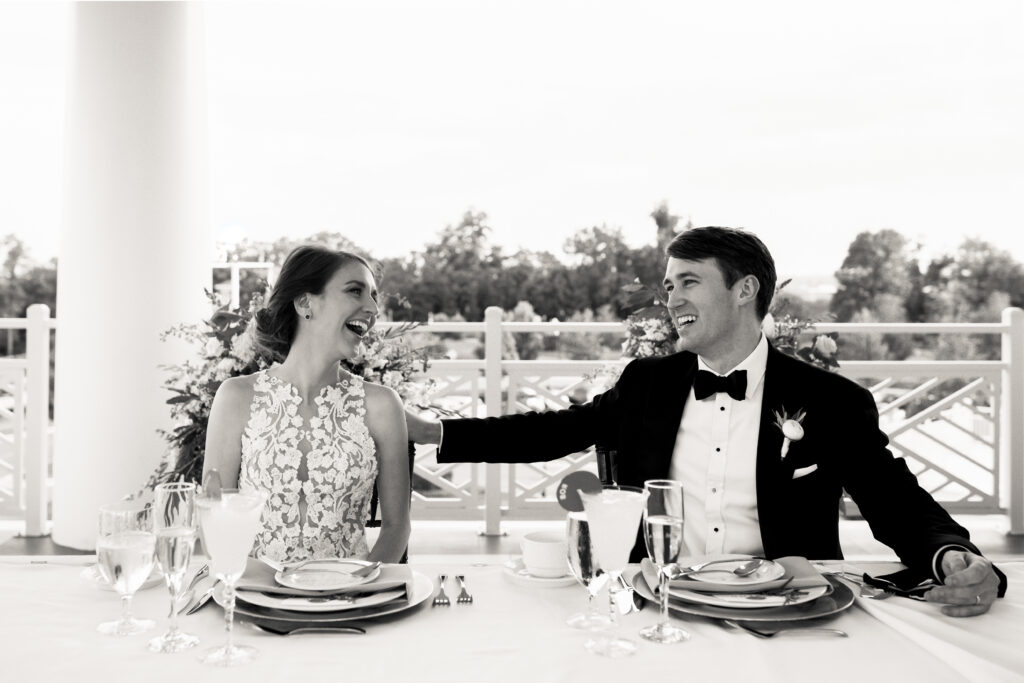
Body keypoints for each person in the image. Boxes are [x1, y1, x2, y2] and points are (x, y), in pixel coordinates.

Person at [408, 226, 1005, 616]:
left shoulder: (830, 400)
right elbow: (556, 431)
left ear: (745, 290)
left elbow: (894, 498)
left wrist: (951, 553)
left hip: (791, 609)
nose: (672, 299)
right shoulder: (648, 383)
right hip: (661, 602)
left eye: (689, 282)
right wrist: (436, 432)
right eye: (670, 286)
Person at [204, 245, 410, 564]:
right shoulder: (235, 397)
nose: (372, 308)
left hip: (347, 602)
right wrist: (258, 589)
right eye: (356, 291)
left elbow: (396, 528)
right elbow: (214, 520)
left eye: (374, 296)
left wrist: (353, 591)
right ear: (305, 303)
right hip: (256, 597)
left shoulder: (382, 405)